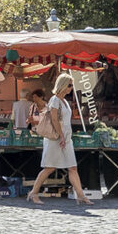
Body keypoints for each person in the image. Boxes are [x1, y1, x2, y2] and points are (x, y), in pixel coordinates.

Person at [27, 72, 90, 204]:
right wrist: (61, 135)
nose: (71, 88)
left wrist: (65, 137)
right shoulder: (55, 100)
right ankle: (33, 193)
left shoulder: (65, 101)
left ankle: (81, 196)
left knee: (72, 167)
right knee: (49, 168)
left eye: (71, 85)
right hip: (55, 138)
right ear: (62, 85)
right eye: (69, 85)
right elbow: (54, 119)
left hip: (66, 139)